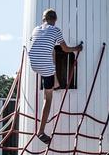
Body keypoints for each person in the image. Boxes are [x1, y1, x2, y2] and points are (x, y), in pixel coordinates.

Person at [29, 8, 82, 144]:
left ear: (43, 19)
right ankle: (40, 132)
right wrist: (77, 48)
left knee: (51, 49)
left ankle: (56, 82)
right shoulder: (56, 30)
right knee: (48, 99)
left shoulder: (36, 29)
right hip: (45, 67)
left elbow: (34, 42)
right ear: (55, 20)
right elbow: (65, 49)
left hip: (33, 63)